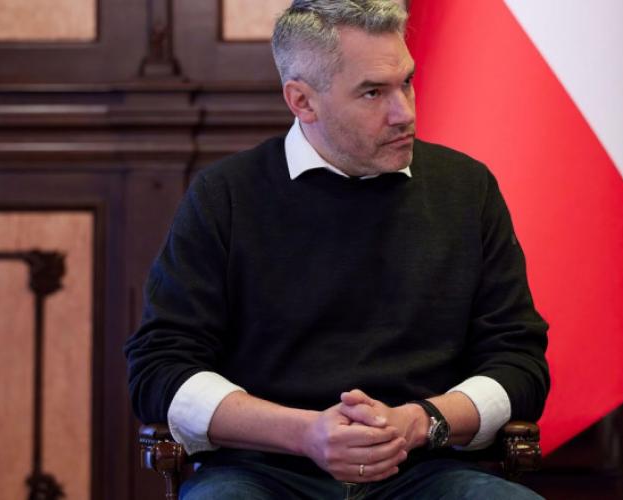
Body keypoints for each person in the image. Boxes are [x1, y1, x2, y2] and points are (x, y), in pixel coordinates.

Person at [124, 1, 550, 498]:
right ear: (303, 101)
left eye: (407, 82)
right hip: (261, 472)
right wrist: (304, 434)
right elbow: (159, 369)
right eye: (373, 92)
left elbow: (519, 362)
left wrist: (420, 422)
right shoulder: (225, 196)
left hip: (426, 469)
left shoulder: (467, 189)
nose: (405, 113)